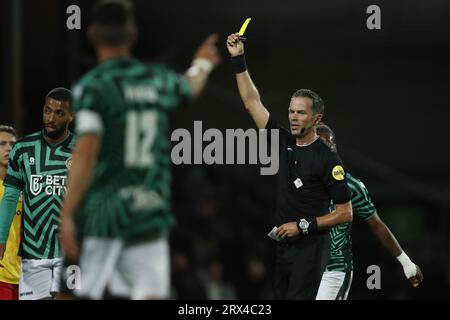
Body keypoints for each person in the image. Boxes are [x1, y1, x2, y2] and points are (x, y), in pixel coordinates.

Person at [59, 0, 220, 300]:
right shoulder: (156, 78)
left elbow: (86, 151)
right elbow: (189, 86)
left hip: (105, 215)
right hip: (148, 212)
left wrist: (67, 212)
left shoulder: (93, 86)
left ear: (92, 34)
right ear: (133, 33)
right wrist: (204, 63)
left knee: (72, 293)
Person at [226, 33, 353, 299]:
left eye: (301, 113)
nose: (293, 117)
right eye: (291, 111)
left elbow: (344, 213)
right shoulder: (283, 141)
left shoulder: (328, 159)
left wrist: (303, 225)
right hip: (284, 246)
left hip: (312, 248)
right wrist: (238, 59)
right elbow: (252, 102)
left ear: (317, 118)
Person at [315, 123, 424, 300]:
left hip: (334, 269)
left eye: (325, 145)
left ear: (333, 149)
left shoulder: (351, 186)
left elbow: (376, 224)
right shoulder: (299, 184)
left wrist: (405, 262)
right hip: (303, 266)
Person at [0, 88, 75, 300]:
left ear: (71, 116)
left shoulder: (81, 149)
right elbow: (10, 197)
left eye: (59, 113)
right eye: (47, 110)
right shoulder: (23, 148)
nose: (50, 118)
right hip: (34, 252)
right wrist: (1, 237)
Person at [0, 125, 22, 300]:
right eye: (2, 144)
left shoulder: (27, 186)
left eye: (13, 144)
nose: (9, 148)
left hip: (27, 273)